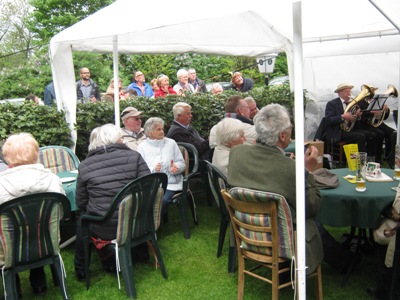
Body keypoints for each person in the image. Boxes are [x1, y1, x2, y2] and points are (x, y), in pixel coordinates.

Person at [228, 103, 355, 276]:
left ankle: (346, 260)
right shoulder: (291, 170)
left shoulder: (237, 154)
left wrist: (290, 164)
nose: (291, 131)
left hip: (247, 232)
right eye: (290, 128)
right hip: (282, 239)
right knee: (312, 225)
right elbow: (312, 207)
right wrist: (307, 171)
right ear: (282, 135)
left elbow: (265, 173)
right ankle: (346, 263)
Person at [74, 124, 150, 281]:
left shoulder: (85, 165)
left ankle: (81, 269)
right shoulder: (134, 157)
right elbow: (148, 186)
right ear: (117, 140)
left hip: (106, 227)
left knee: (83, 218)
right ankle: (141, 254)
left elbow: (81, 203)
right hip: (138, 222)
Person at [0, 133, 65, 297]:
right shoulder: (52, 179)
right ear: (36, 153)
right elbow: (60, 214)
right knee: (36, 230)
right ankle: (39, 283)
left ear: (7, 156)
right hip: (46, 244)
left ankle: (14, 288)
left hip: (9, 250)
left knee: (12, 235)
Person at [137, 117, 185, 214]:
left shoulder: (171, 143)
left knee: (162, 200)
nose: (162, 131)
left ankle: (154, 225)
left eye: (162, 129)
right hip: (150, 184)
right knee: (144, 201)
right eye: (158, 129)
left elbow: (182, 163)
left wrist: (176, 167)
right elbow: (139, 169)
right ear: (150, 132)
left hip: (171, 183)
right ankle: (148, 225)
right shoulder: (142, 147)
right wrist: (153, 169)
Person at [324, 83, 367, 152]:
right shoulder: (332, 103)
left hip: (349, 130)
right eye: (347, 92)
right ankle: (359, 160)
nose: (349, 94)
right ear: (339, 93)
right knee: (360, 136)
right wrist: (343, 116)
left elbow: (354, 120)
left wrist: (357, 115)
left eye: (350, 92)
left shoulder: (352, 104)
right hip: (337, 132)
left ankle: (368, 157)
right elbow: (329, 120)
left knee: (368, 134)